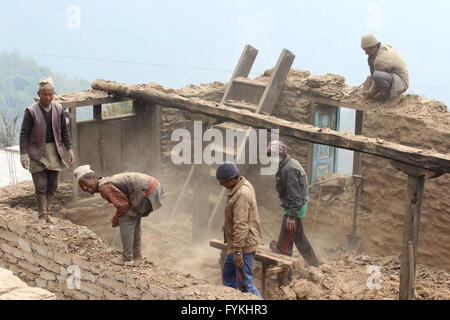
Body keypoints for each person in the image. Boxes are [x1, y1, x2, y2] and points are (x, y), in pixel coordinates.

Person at [73, 166, 165, 265]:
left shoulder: (104, 187)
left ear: (93, 178)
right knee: (133, 218)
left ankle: (126, 257)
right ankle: (136, 254)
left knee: (125, 218)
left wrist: (116, 218)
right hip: (153, 187)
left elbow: (123, 205)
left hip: (147, 190)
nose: (85, 188)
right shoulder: (105, 182)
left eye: (85, 183)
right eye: (82, 186)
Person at [19, 77, 75, 223]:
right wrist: (23, 154)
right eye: (45, 94)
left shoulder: (58, 109)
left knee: (53, 185)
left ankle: (47, 211)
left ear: (54, 94)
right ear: (39, 94)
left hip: (54, 151)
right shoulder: (31, 112)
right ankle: (41, 215)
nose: (48, 97)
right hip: (36, 152)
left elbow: (64, 131)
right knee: (40, 186)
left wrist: (69, 149)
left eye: (50, 94)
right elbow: (24, 134)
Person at [267, 141, 320, 268]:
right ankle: (314, 263)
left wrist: (292, 215)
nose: (271, 159)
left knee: (288, 234)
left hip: (295, 206)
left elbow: (295, 195)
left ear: (280, 155)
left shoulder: (289, 169)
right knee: (297, 236)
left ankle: (284, 260)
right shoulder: (286, 164)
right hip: (295, 205)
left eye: (272, 155)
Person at [216, 163, 263, 299]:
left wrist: (238, 252)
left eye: (222, 181)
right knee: (228, 273)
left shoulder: (242, 194)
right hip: (237, 245)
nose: (220, 184)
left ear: (231, 179)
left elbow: (241, 224)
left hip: (244, 246)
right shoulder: (241, 185)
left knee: (245, 285)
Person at [360, 34, 409, 102]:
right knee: (371, 76)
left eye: (367, 51)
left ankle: (391, 96)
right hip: (392, 77)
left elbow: (376, 78)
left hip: (400, 83)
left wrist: (370, 93)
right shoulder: (383, 47)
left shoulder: (381, 59)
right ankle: (381, 93)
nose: (365, 53)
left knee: (377, 76)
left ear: (374, 47)